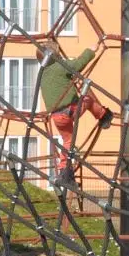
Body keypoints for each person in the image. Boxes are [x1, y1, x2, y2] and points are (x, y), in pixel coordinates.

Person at [37, 42, 114, 191]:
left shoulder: (43, 73)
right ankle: (104, 115)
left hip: (56, 117)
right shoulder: (60, 66)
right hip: (69, 111)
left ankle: (65, 172)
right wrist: (91, 50)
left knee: (68, 141)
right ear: (55, 56)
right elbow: (78, 64)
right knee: (88, 100)